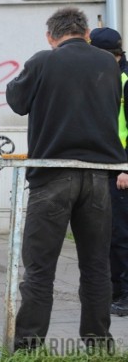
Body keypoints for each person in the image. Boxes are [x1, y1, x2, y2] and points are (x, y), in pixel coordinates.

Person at [6, 8, 127, 351]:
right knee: (95, 266)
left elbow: (16, 101)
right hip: (99, 177)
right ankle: (99, 345)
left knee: (40, 268)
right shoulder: (108, 63)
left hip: (52, 175)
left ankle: (29, 349)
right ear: (87, 33)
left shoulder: (44, 61)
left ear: (50, 36)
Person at [90, 26, 128, 318]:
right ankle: (115, 291)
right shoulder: (108, 76)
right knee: (110, 233)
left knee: (120, 235)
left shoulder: (125, 80)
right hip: (109, 166)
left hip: (122, 169)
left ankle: (124, 295)